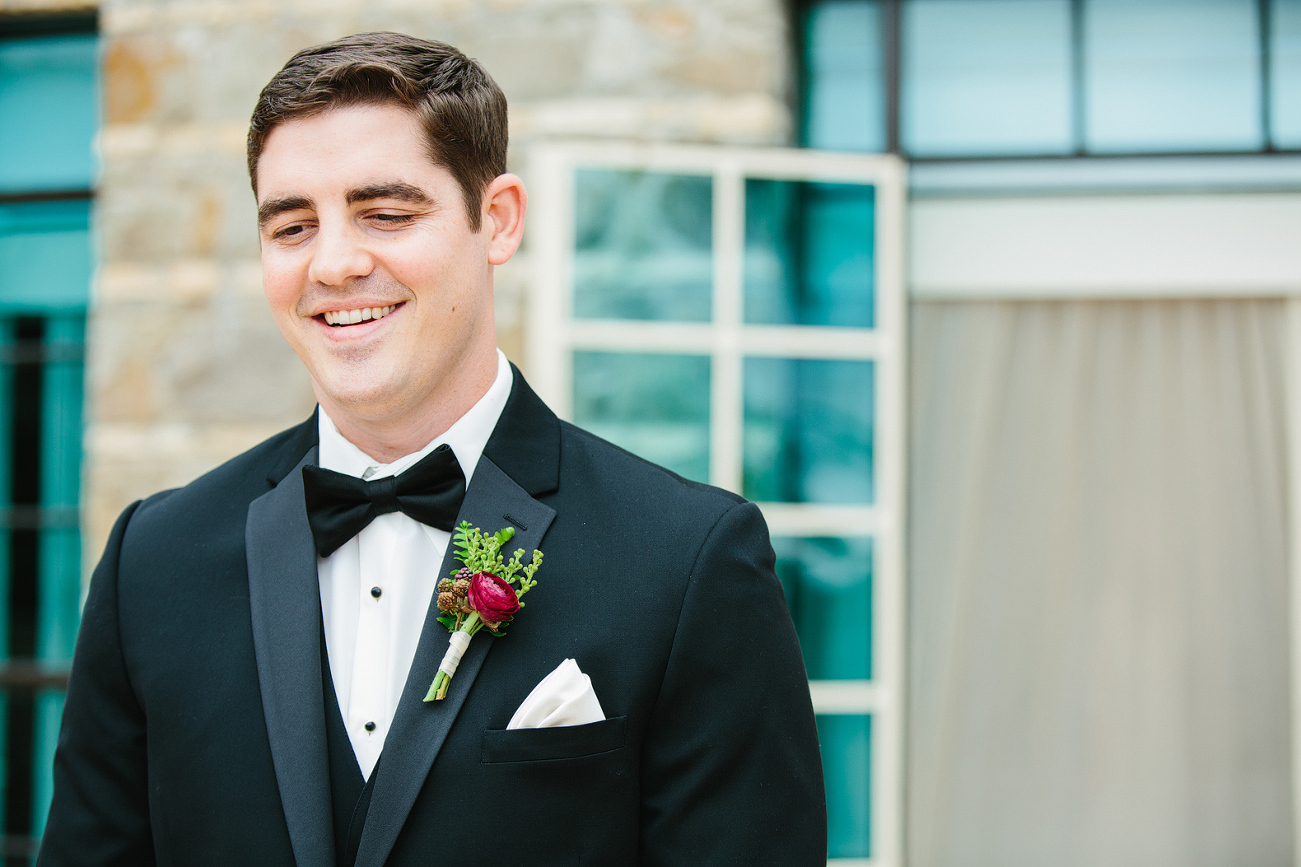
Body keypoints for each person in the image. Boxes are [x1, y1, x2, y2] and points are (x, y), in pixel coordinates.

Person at [38, 32, 826, 867]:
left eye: (385, 213)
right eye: (293, 225)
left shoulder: (687, 559)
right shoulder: (151, 561)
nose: (335, 263)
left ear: (497, 219)